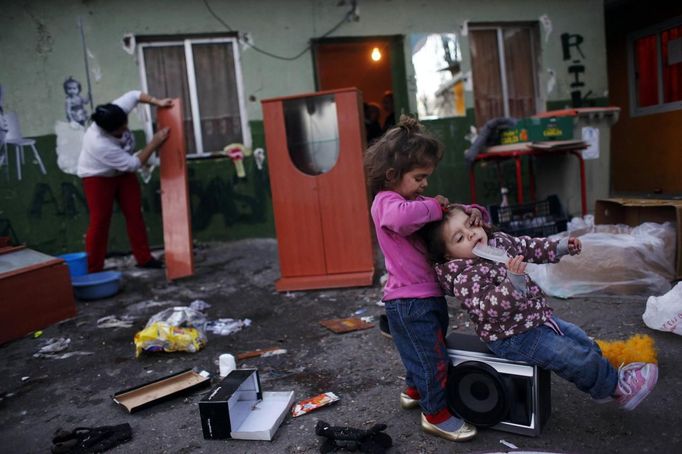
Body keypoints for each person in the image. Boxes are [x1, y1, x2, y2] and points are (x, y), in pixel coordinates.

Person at [422, 206, 659, 412]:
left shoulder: (498, 243)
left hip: (536, 318)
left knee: (582, 341)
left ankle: (601, 386)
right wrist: (513, 283)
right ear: (447, 255)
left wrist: (560, 247)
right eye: (459, 238)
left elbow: (527, 246)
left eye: (469, 225)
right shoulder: (465, 277)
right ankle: (619, 389)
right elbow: (487, 309)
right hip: (512, 336)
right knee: (570, 355)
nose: (471, 234)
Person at [364, 115, 484, 442]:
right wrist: (433, 206)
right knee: (433, 358)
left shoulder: (417, 203)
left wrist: (470, 211)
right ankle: (435, 413)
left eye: (427, 177)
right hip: (409, 301)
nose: (425, 185)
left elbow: (445, 218)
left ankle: (415, 390)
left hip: (424, 297)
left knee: (423, 350)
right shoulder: (387, 203)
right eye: (419, 177)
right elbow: (403, 218)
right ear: (392, 175)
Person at [77, 90, 173, 273]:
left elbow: (135, 95)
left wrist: (157, 102)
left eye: (125, 125)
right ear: (107, 131)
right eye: (120, 129)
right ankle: (94, 268)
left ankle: (144, 258)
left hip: (121, 174)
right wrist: (155, 142)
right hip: (97, 176)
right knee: (100, 221)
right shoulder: (99, 143)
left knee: (134, 213)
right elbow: (133, 164)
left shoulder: (115, 112)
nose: (125, 129)